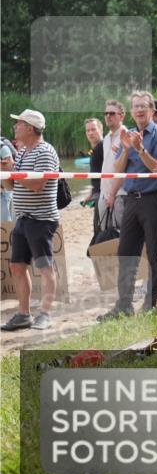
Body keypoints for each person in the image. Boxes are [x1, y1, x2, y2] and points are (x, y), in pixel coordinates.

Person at [99, 92, 157, 320]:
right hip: (131, 199)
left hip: (153, 199)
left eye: (143, 106)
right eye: (136, 106)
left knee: (154, 253)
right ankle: (124, 306)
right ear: (131, 112)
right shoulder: (128, 134)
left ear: (152, 111)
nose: (139, 110)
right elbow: (119, 169)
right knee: (126, 253)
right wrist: (127, 148)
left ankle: (151, 304)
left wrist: (140, 149)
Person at [0, 110, 60, 331]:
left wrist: (13, 172)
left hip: (41, 220)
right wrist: (5, 172)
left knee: (45, 267)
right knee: (17, 267)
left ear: (30, 128)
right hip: (23, 219)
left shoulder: (45, 151)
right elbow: (11, 187)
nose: (15, 127)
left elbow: (37, 185)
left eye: (19, 124)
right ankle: (24, 314)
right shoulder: (23, 152)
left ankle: (45, 314)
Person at [99, 99, 128, 229]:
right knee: (105, 234)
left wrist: (112, 194)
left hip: (120, 194)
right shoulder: (106, 138)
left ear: (121, 116)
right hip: (104, 194)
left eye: (112, 113)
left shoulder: (126, 136)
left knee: (120, 234)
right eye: (106, 113)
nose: (108, 116)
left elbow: (123, 169)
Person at [84, 117, 104, 235]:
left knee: (100, 231)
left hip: (104, 196)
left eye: (93, 129)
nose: (90, 133)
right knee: (98, 229)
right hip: (97, 194)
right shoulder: (94, 149)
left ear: (101, 130)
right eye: (88, 130)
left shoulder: (104, 147)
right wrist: (91, 193)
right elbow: (97, 175)